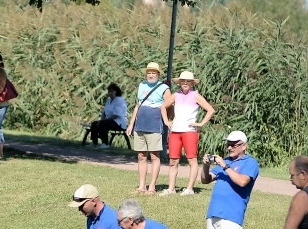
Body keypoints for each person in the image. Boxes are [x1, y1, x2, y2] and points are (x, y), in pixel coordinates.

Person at [159, 71, 215, 196]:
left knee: (192, 160)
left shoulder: (196, 95)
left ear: (192, 83)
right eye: (183, 81)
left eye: (188, 81)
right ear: (179, 82)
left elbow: (210, 110)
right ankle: (171, 189)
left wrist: (200, 123)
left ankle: (190, 189)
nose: (185, 83)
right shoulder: (175, 95)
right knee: (173, 161)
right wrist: (166, 121)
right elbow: (163, 107)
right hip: (175, 132)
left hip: (189, 132)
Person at [125, 62, 172, 194]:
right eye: (149, 73)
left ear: (158, 74)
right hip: (140, 125)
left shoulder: (164, 88)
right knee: (141, 156)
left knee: (154, 156)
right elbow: (137, 106)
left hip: (154, 126)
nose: (151, 75)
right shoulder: (142, 85)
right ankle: (141, 186)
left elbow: (170, 107)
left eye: (153, 73)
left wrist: (165, 120)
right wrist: (131, 124)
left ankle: (152, 187)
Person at [89, 83, 128, 149]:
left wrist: (103, 121)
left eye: (112, 91)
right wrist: (101, 120)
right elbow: (104, 113)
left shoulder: (119, 100)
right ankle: (94, 142)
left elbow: (115, 115)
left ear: (116, 91)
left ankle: (105, 143)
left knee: (103, 124)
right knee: (94, 124)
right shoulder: (108, 100)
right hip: (108, 121)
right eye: (109, 91)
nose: (110, 93)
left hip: (118, 122)